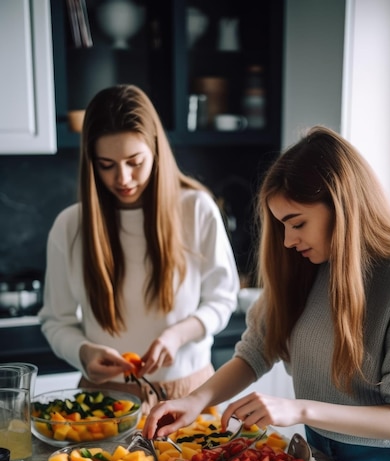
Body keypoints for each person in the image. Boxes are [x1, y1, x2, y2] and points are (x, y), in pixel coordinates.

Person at [143, 125, 390, 461]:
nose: (288, 240)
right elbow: (255, 353)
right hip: (318, 454)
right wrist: (193, 401)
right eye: (282, 225)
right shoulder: (305, 267)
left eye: (298, 222)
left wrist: (298, 408)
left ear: (342, 206)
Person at [39, 84, 240, 412]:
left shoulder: (197, 209)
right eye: (106, 164)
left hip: (191, 394)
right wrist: (82, 351)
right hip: (104, 402)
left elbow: (222, 298)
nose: (123, 178)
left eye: (135, 161)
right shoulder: (69, 226)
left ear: (156, 150)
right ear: (91, 162)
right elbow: (55, 320)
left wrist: (177, 335)